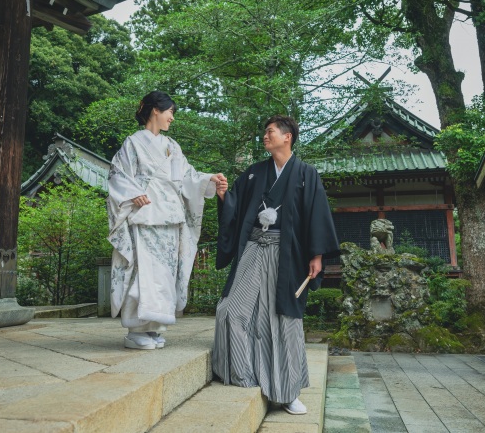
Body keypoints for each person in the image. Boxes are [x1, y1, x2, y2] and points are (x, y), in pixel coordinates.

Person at [212, 115, 339, 415]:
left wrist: (317, 256)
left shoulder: (306, 174)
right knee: (231, 311)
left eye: (270, 132)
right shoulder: (255, 173)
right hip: (254, 248)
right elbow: (235, 207)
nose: (265, 137)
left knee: (283, 320)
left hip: (287, 255)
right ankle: (244, 374)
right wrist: (224, 195)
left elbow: (317, 215)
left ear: (287, 137)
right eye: (265, 132)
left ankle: (288, 391)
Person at [107, 91, 226, 350]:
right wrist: (133, 193)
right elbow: (117, 174)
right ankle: (136, 329)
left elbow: (187, 177)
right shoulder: (133, 143)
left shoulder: (172, 146)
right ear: (155, 110)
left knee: (164, 274)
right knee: (143, 273)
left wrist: (208, 179)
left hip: (170, 217)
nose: (172, 117)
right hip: (145, 215)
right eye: (170, 111)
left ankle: (154, 327)